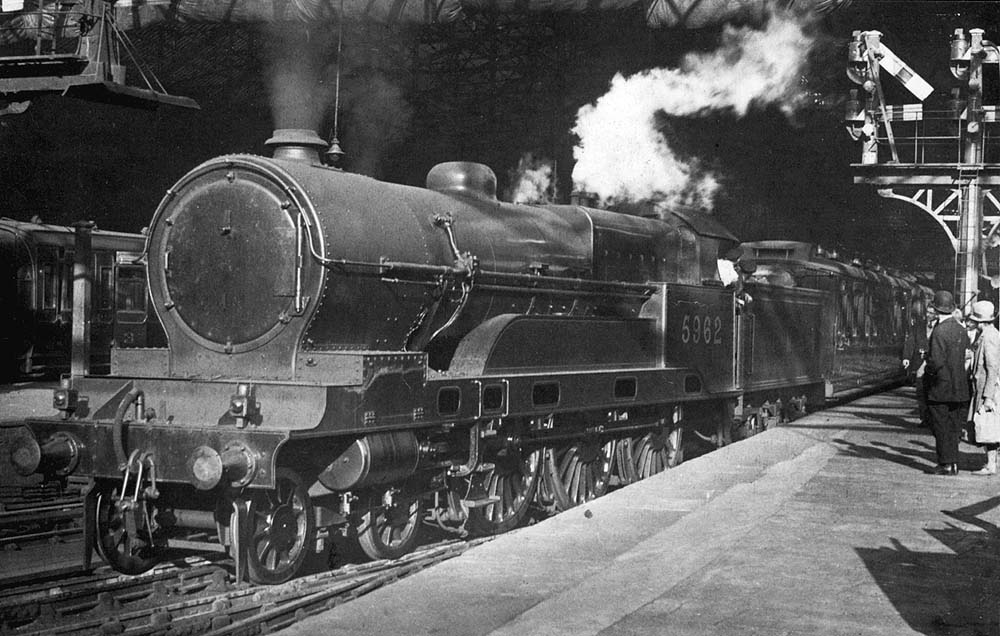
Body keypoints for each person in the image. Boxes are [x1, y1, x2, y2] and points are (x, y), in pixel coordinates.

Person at [924, 290, 971, 475]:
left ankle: (945, 464)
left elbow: (936, 361)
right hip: (959, 387)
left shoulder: (938, 331)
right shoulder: (961, 329)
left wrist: (927, 372)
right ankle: (954, 463)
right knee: (953, 427)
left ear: (936, 309)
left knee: (940, 426)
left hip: (940, 388)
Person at [966, 300, 1000, 475]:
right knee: (988, 427)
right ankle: (991, 463)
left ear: (980, 321)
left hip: (989, 390)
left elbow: (992, 367)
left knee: (988, 427)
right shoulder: (989, 334)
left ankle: (991, 465)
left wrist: (987, 396)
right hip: (986, 388)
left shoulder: (989, 338)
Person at [902, 302, 936, 428]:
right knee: (921, 391)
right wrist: (906, 357)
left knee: (932, 391)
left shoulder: (940, 327)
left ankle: (932, 418)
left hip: (933, 362)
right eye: (927, 312)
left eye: (932, 313)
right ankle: (924, 418)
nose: (929, 315)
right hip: (919, 362)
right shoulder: (918, 326)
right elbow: (910, 341)